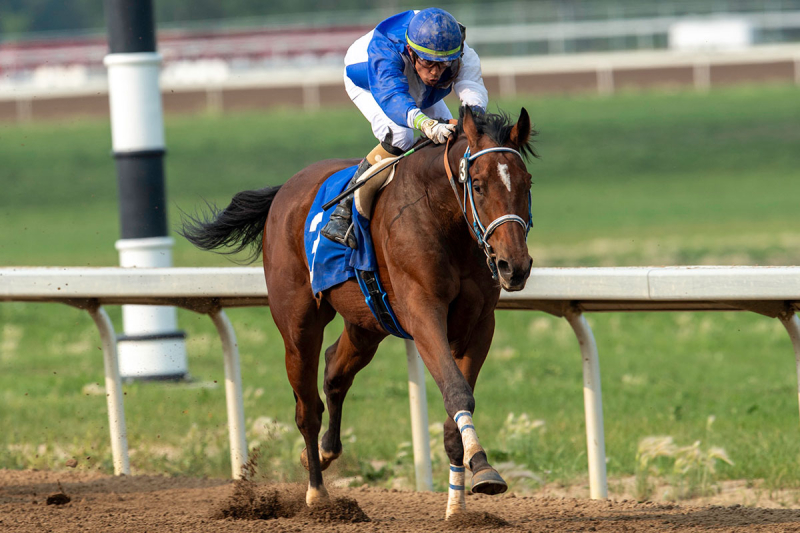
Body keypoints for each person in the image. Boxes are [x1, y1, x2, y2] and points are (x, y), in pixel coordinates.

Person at [321, 7, 489, 248]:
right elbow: (393, 98)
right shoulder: (385, 50)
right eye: (429, 64)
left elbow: (472, 87)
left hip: (411, 81)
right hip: (371, 78)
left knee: (458, 140)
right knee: (401, 137)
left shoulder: (460, 51)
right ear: (411, 51)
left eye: (443, 65)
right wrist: (426, 124)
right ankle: (343, 212)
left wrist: (470, 121)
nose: (435, 73)